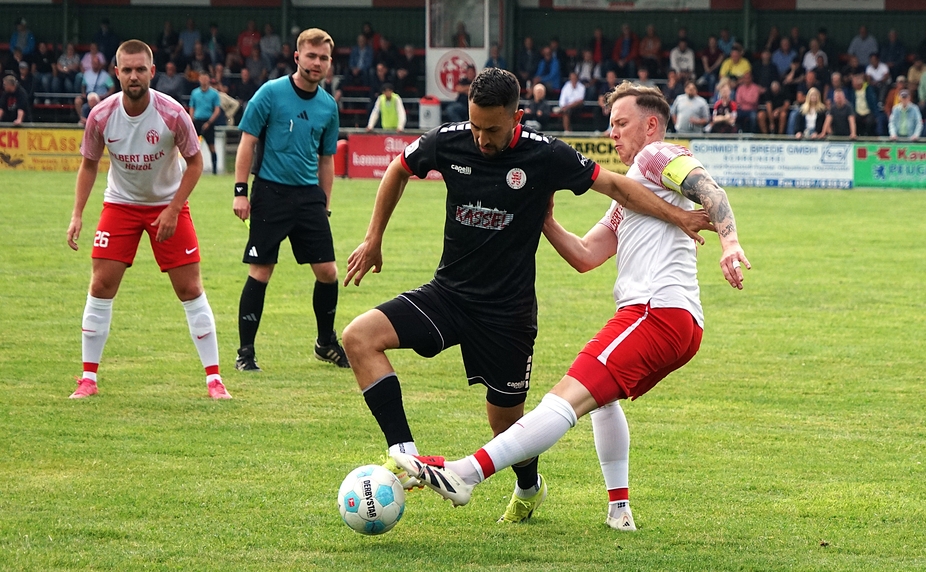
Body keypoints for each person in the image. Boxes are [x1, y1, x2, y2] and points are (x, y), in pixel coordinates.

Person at [340, 68, 714, 523]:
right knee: (359, 336)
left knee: (506, 423)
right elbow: (399, 168)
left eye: (492, 129)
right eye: (475, 126)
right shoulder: (448, 140)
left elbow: (620, 187)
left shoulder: (550, 154)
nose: (481, 139)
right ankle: (404, 456)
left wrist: (682, 218)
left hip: (508, 314)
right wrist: (373, 237)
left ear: (516, 117)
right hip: (449, 294)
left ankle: (528, 486)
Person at [65, 39, 231, 400]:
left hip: (167, 205)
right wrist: (77, 214)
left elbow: (195, 163)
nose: (134, 76)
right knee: (101, 285)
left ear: (152, 71)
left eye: (140, 69)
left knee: (190, 289)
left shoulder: (172, 113)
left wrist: (173, 208)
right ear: (116, 72)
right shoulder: (101, 115)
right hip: (120, 205)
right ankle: (88, 379)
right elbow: (89, 165)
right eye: (127, 70)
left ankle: (214, 380)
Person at [231, 28, 348, 371]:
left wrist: (325, 204)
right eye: (311, 56)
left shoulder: (328, 106)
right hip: (270, 192)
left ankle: (325, 343)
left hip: (309, 197)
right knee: (261, 271)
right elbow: (248, 142)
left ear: (329, 63)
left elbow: (326, 159)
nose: (317, 63)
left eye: (323, 58)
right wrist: (240, 192)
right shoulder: (270, 93)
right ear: (297, 57)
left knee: (327, 272)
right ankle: (245, 353)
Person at [188, 71, 222, 174]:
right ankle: (192, 168)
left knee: (211, 146)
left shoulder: (214, 93)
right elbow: (192, 107)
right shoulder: (195, 93)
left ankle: (214, 170)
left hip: (208, 121)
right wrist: (191, 119)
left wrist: (209, 122)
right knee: (193, 147)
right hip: (197, 121)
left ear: (209, 80)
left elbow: (217, 110)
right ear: (199, 79)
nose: (203, 81)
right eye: (202, 78)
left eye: (205, 78)